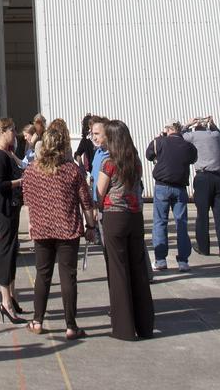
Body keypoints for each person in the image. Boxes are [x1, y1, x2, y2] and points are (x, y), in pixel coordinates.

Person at [22, 119, 96, 339]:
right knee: (68, 276)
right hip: (67, 228)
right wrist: (90, 226)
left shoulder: (32, 171)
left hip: (42, 228)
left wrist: (31, 224)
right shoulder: (72, 170)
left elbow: (28, 200)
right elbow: (86, 202)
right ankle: (71, 325)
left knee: (42, 275)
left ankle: (37, 320)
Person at [97, 119, 154, 341]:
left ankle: (123, 327)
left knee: (118, 271)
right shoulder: (136, 161)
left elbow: (100, 192)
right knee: (137, 269)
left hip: (115, 216)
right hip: (134, 216)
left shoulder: (109, 164)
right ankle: (145, 324)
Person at [0, 117, 24, 324]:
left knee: (12, 250)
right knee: (6, 252)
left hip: (11, 208)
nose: (15, 135)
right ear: (3, 132)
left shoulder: (6, 153)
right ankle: (5, 300)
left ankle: (12, 295)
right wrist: (19, 182)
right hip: (4, 210)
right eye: (12, 131)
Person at [145, 121, 197, 272]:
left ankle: (160, 260)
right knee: (181, 223)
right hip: (180, 187)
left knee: (160, 222)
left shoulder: (160, 142)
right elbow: (193, 159)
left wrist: (158, 139)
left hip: (162, 186)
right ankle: (183, 261)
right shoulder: (188, 146)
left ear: (168, 130)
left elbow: (149, 155)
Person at [181, 116, 220, 259]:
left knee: (202, 215)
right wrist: (212, 124)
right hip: (219, 177)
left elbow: (180, 135)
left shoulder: (193, 136)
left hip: (203, 177)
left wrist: (188, 124)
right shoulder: (215, 135)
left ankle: (204, 247)